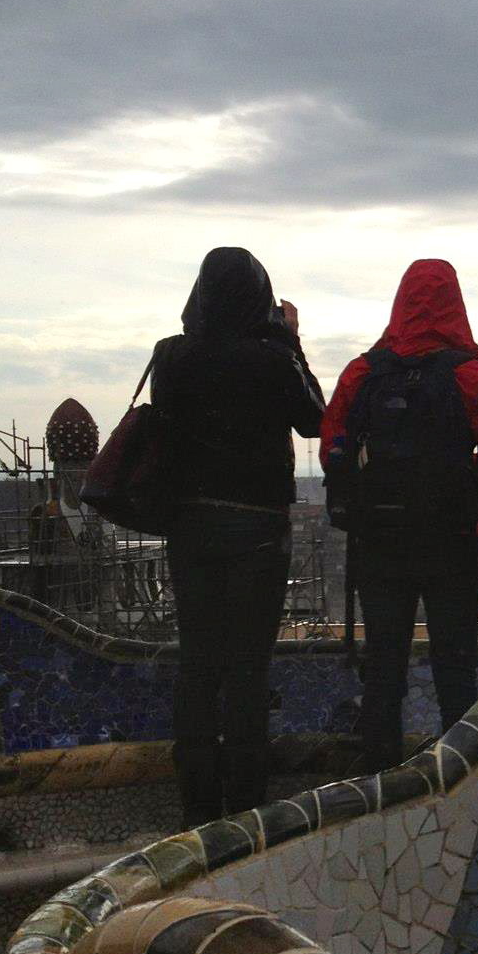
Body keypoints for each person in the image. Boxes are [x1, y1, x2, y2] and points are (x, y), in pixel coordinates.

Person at [321, 258, 478, 773]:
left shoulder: (362, 374)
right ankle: (459, 780)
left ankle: (378, 782)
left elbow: (332, 453)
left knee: (383, 664)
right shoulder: (471, 377)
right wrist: (454, 479)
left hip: (379, 541)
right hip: (451, 541)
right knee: (454, 665)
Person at [151, 247, 325, 823]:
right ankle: (247, 807)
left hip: (190, 524)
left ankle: (196, 807)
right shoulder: (272, 358)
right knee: (248, 667)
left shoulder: (170, 357)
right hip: (256, 525)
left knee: (198, 662)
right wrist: (290, 339)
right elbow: (315, 421)